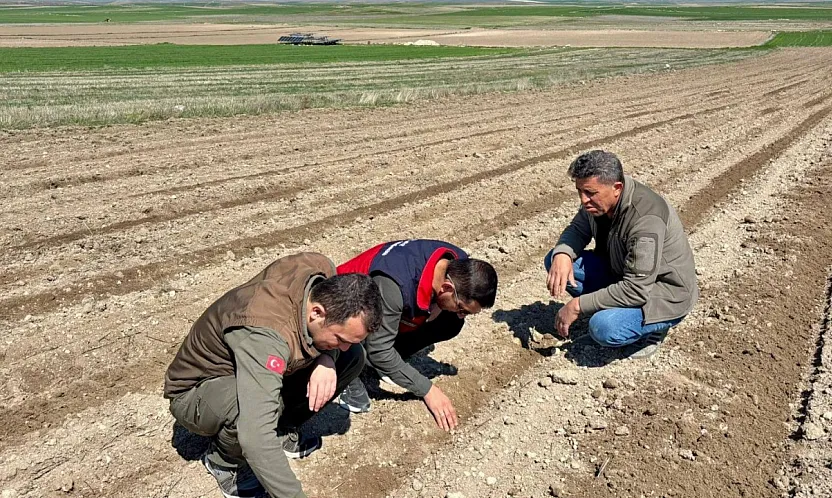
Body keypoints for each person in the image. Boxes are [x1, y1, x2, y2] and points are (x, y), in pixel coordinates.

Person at [164, 252, 382, 498]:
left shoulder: (321, 272)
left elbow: (339, 348)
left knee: (353, 357)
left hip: (250, 363)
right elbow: (255, 435)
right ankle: (223, 462)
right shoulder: (265, 334)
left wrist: (328, 358)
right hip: (197, 391)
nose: (342, 345)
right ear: (317, 313)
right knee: (254, 413)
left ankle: (282, 426)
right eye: (339, 339)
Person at [545, 150, 698, 358]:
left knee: (603, 328)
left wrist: (578, 305)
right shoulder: (600, 201)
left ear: (617, 188)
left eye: (590, 192)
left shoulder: (646, 219)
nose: (583, 199)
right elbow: (578, 229)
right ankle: (611, 306)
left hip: (661, 293)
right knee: (557, 261)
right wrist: (562, 254)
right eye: (579, 191)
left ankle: (655, 327)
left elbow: (636, 289)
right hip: (622, 272)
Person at [333, 239, 498, 431]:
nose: (462, 315)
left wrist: (436, 307)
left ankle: (389, 364)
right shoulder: (395, 285)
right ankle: (344, 367)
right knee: (376, 350)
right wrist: (427, 390)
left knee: (451, 324)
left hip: (386, 304)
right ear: (446, 288)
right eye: (462, 308)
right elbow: (379, 350)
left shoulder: (456, 262)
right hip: (344, 312)